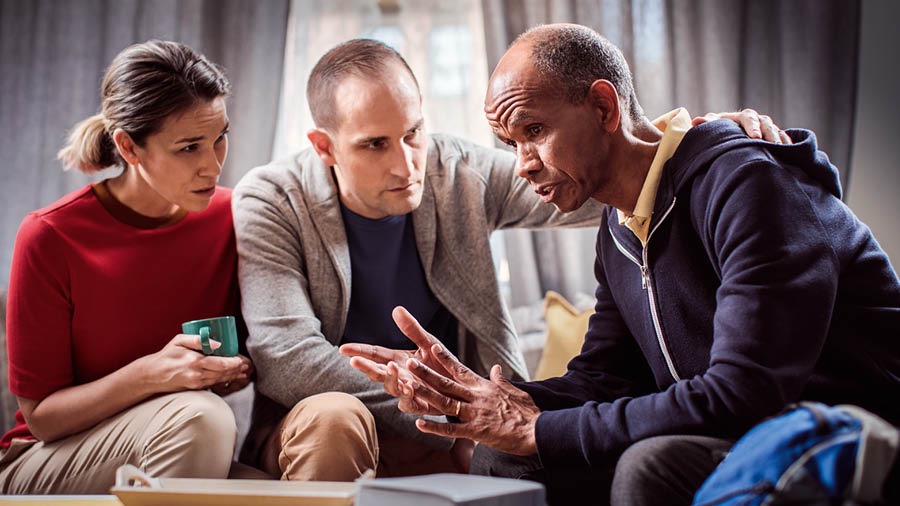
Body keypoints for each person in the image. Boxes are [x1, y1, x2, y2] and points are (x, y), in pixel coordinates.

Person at [341, 23, 900, 505]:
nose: (522, 166)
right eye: (510, 143)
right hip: (743, 435)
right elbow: (606, 378)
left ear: (605, 107)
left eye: (534, 131)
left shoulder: (747, 186)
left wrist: (538, 428)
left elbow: (741, 393)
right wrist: (484, 400)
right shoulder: (618, 227)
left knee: (651, 465)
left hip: (846, 434)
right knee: (503, 459)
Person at [232, 37, 786, 482]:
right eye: (375, 144)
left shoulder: (453, 172)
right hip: (346, 421)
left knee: (518, 456)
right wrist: (455, 410)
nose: (407, 164)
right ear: (324, 147)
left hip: (457, 432)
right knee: (336, 418)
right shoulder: (271, 198)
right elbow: (286, 356)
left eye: (414, 133)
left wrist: (692, 142)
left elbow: (594, 176)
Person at [1, 40, 258, 494]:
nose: (213, 164)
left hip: (177, 441)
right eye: (188, 148)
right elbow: (41, 418)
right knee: (202, 420)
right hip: (48, 457)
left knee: (284, 494)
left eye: (220, 137)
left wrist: (234, 370)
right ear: (129, 147)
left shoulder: (237, 216)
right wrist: (151, 375)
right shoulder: (50, 236)